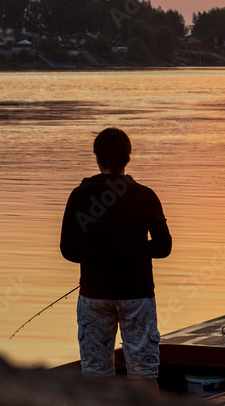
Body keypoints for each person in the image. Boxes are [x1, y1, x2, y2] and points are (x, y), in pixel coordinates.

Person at [60, 127, 171, 390]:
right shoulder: (145, 196)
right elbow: (164, 247)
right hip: (137, 296)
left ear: (97, 157)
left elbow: (68, 250)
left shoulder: (79, 196)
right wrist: (136, 251)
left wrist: (96, 256)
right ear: (128, 158)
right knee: (143, 373)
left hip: (94, 296)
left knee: (95, 374)